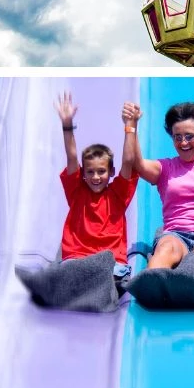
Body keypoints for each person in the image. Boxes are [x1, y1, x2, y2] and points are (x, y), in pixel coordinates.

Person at [123, 101, 194, 273]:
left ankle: (191, 283)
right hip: (175, 235)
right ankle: (152, 284)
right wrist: (131, 126)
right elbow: (135, 163)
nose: (183, 142)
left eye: (190, 136)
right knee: (165, 249)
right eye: (177, 137)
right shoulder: (166, 168)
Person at [56, 92, 137, 284]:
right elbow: (72, 157)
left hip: (110, 260)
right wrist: (67, 125)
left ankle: (101, 286)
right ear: (83, 173)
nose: (95, 177)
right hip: (78, 257)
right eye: (90, 172)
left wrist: (130, 125)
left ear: (111, 172)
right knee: (68, 273)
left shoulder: (118, 194)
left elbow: (128, 160)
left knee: (115, 274)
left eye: (101, 171)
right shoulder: (77, 191)